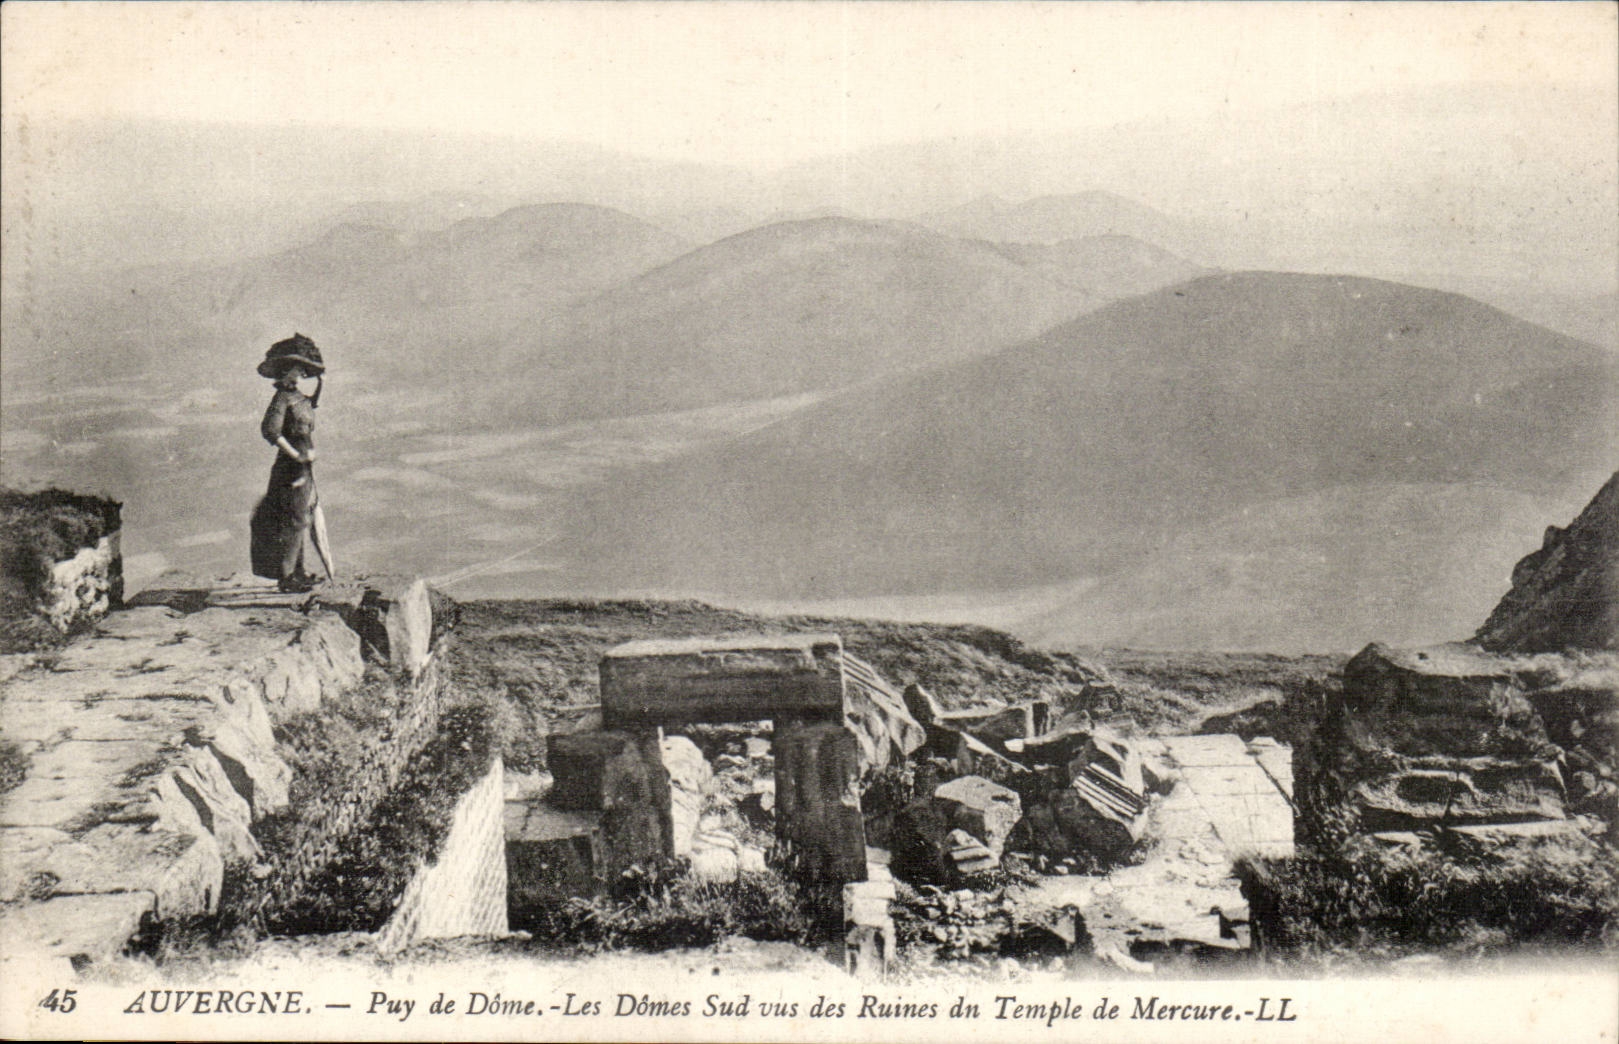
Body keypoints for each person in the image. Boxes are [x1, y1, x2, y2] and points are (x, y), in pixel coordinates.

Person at [250, 333, 336, 591]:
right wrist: (296, 455)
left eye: (301, 372)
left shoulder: (298, 398)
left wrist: (321, 383)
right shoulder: (281, 399)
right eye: (296, 371)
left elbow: (311, 405)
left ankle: (297, 573)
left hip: (302, 467)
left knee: (300, 519)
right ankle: (287, 577)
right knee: (293, 520)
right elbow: (271, 431)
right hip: (290, 468)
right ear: (285, 373)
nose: (299, 376)